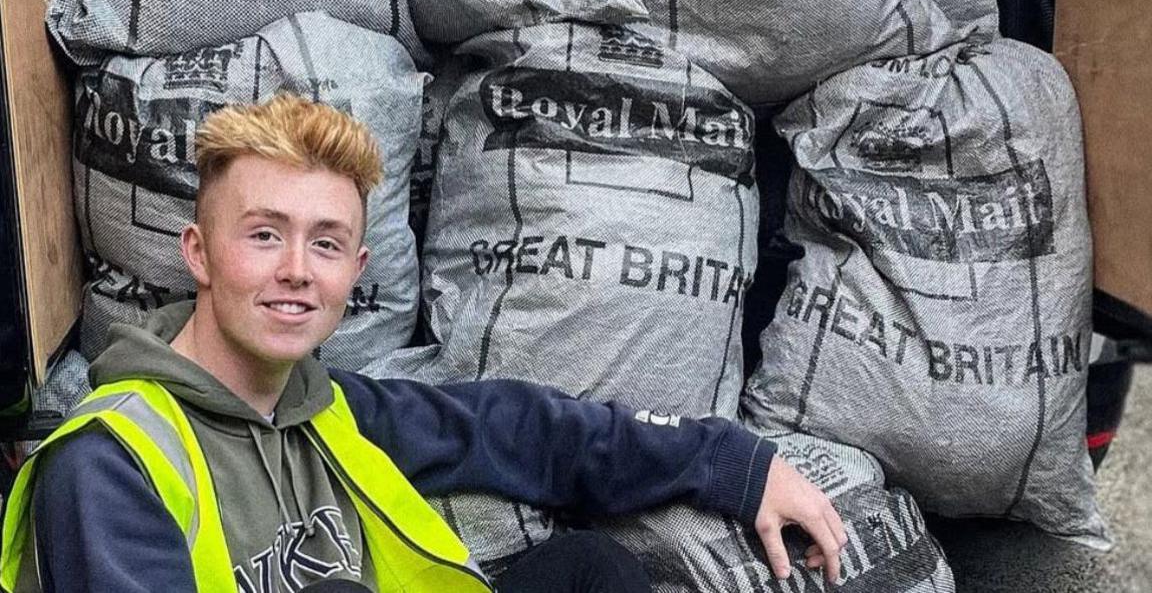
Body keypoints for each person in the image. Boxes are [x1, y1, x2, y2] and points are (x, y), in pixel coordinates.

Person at [0, 95, 846, 593]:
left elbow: (517, 428)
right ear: (198, 253)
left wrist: (734, 463)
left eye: (325, 243)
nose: (297, 270)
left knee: (589, 570)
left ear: (355, 269)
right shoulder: (109, 466)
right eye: (264, 235)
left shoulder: (320, 408)